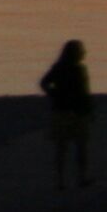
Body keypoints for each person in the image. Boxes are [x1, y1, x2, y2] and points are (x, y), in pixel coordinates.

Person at [40, 40, 93, 189]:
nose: (84, 53)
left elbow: (85, 92)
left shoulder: (74, 68)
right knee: (70, 147)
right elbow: (44, 83)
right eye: (81, 50)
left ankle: (71, 179)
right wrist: (54, 94)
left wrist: (53, 94)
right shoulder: (66, 68)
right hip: (66, 112)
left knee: (71, 147)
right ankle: (66, 180)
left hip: (71, 111)